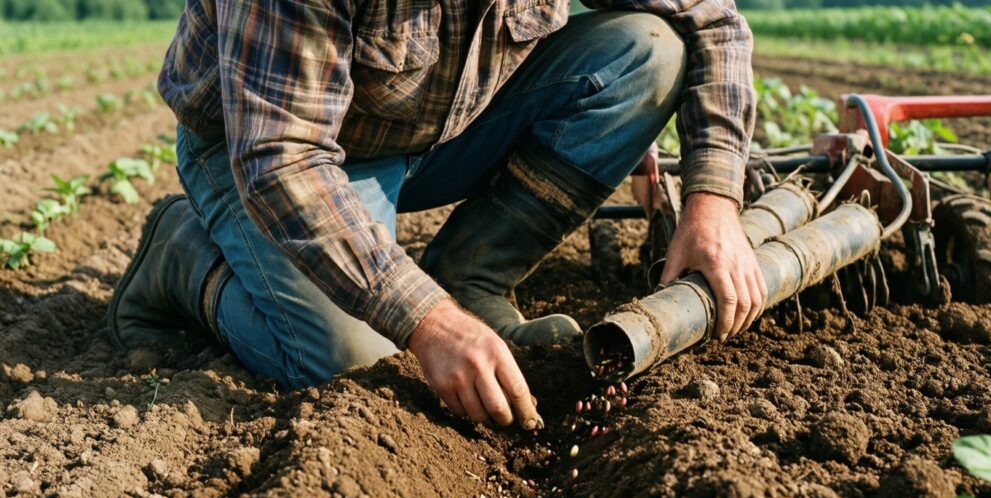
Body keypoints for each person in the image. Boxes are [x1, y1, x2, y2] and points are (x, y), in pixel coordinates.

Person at [107, 0, 765, 432]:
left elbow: (714, 21)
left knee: (649, 51)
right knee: (354, 359)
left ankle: (473, 279)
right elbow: (283, 160)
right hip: (274, 147)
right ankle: (182, 257)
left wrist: (713, 201)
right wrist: (426, 319)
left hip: (444, 121)